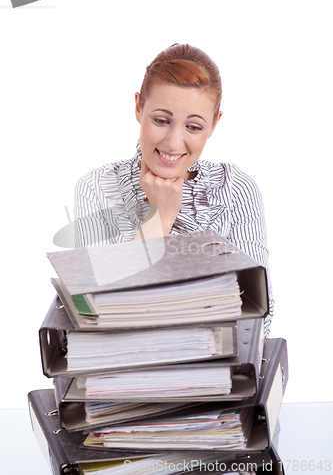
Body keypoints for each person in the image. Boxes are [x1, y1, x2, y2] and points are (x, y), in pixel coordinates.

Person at [74, 43, 274, 337]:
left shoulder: (235, 187)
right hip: (122, 375)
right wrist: (160, 218)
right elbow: (91, 313)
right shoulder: (97, 185)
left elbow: (259, 319)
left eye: (193, 127)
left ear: (214, 124)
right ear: (138, 106)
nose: (173, 142)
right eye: (161, 120)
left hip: (215, 374)